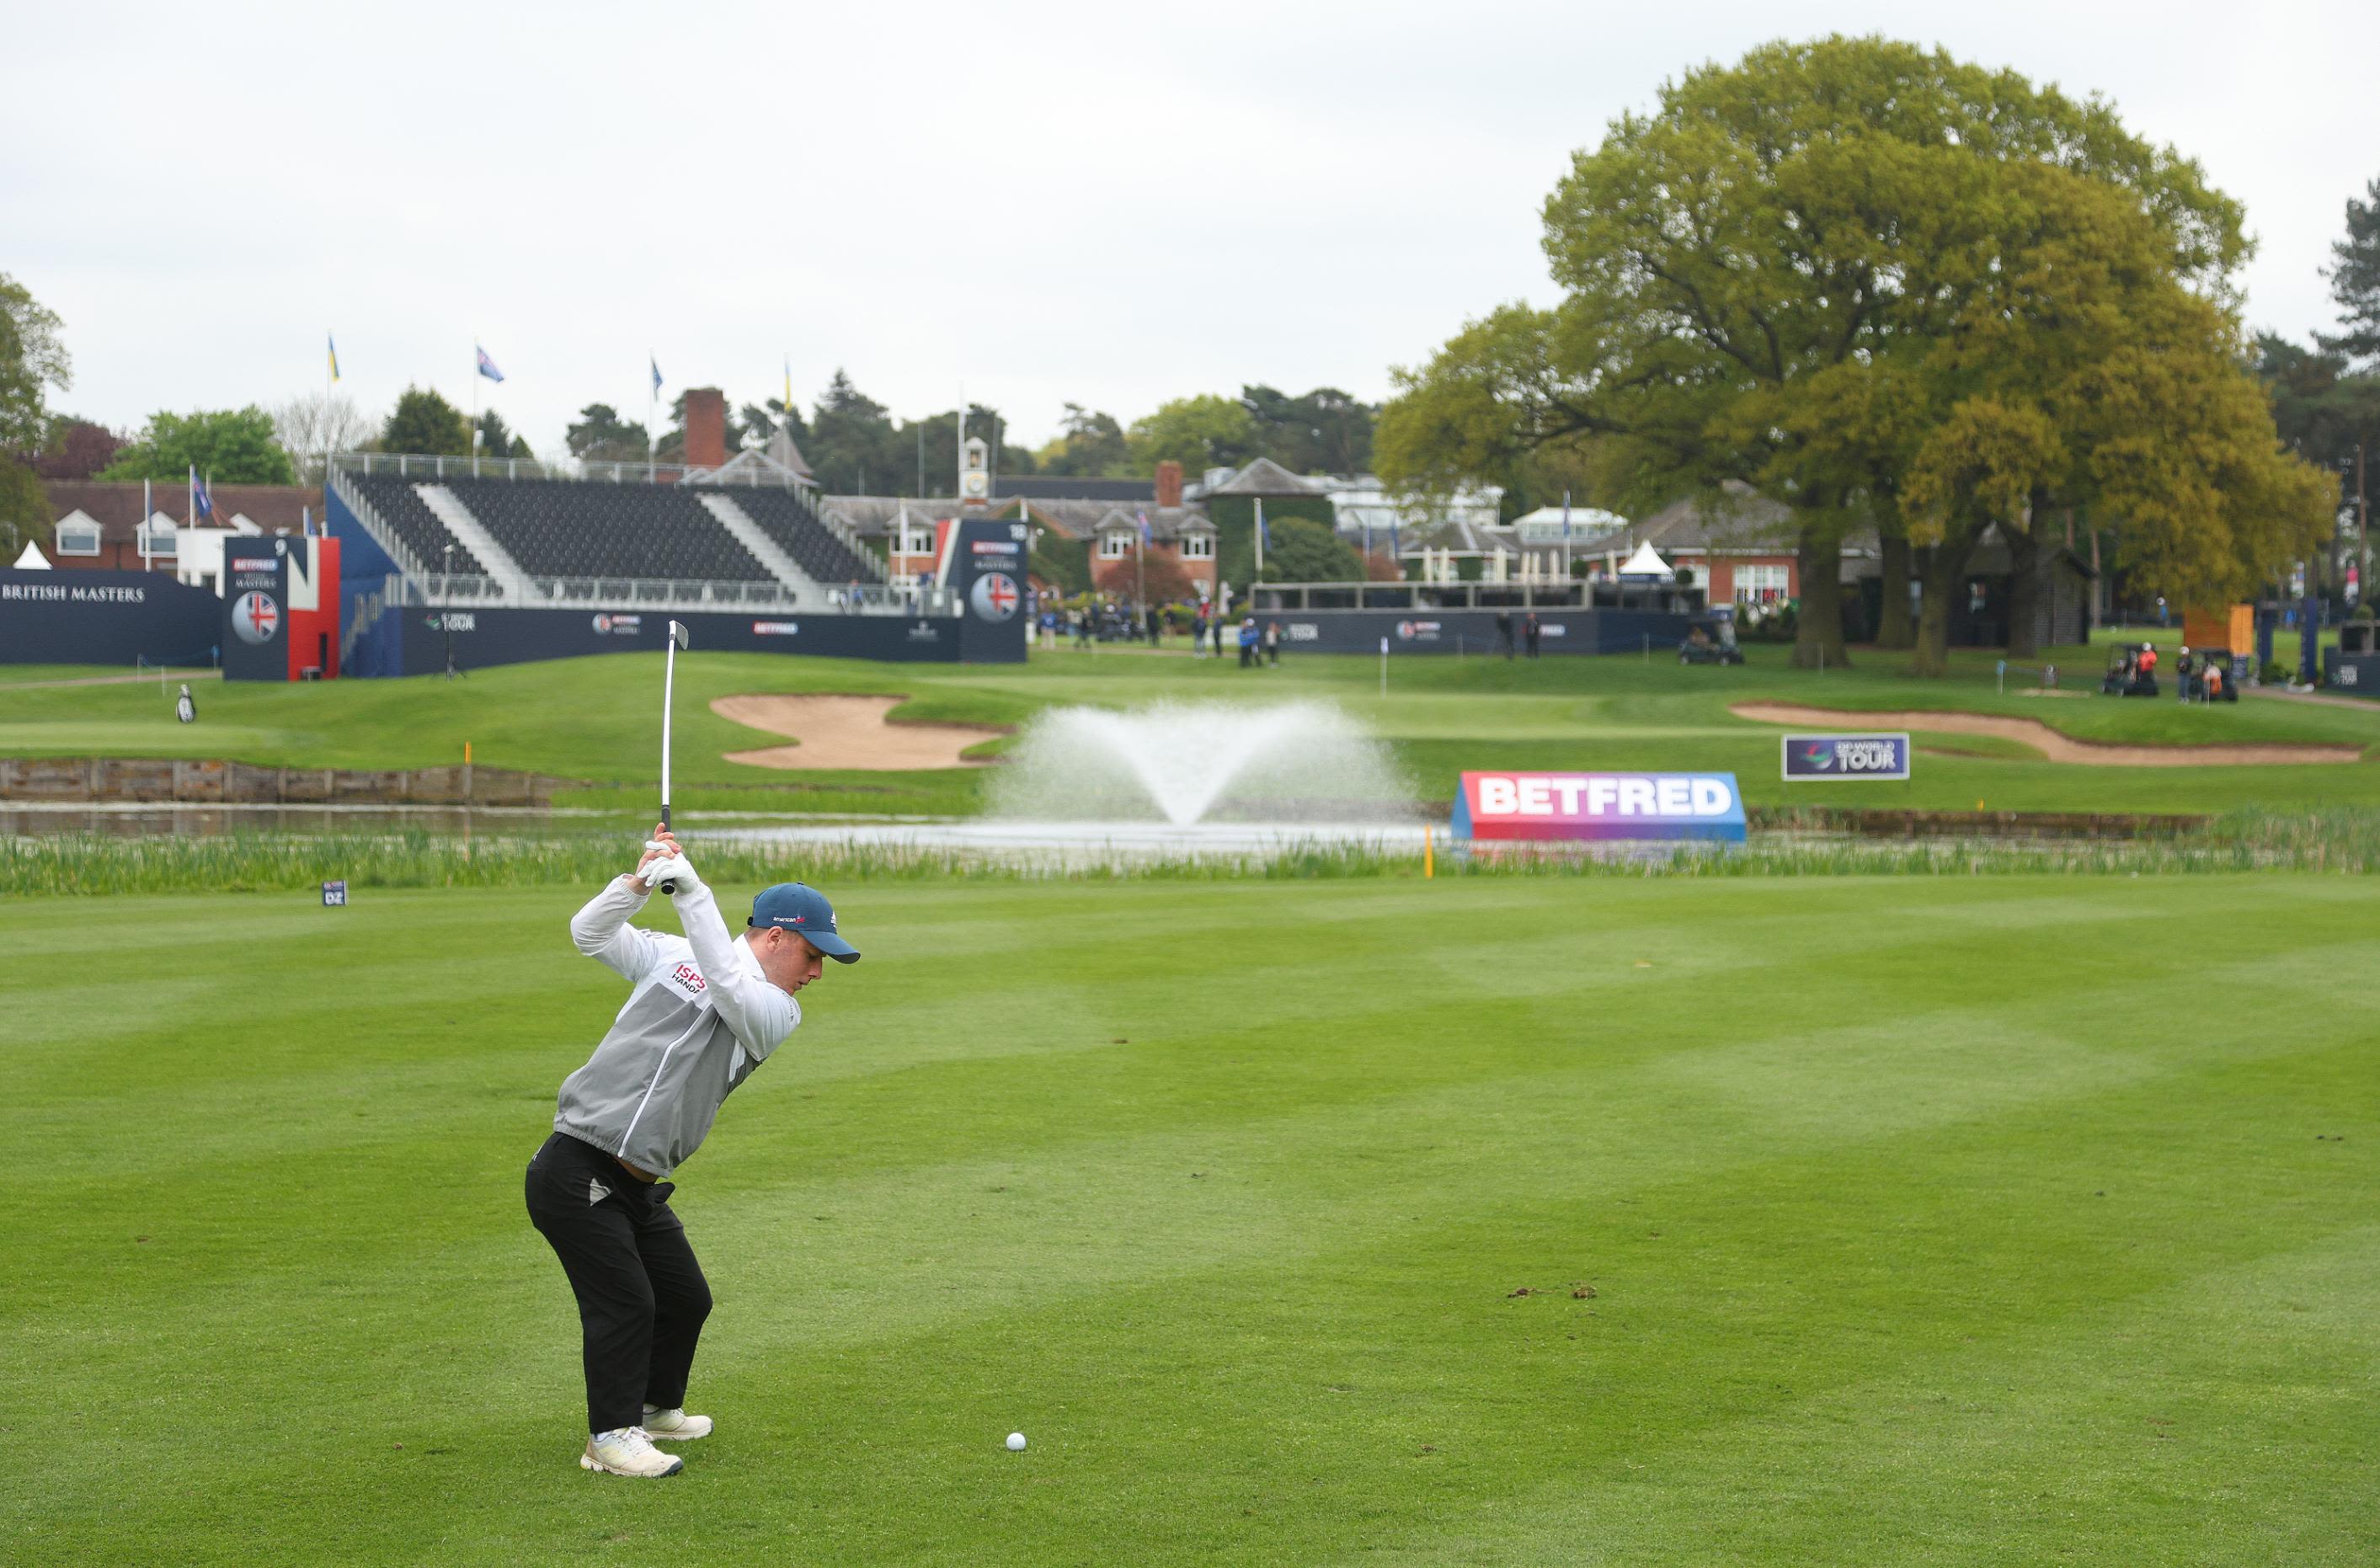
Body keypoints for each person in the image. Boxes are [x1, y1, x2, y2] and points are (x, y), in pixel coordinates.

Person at [526, 826, 859, 1479]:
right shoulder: (673, 955)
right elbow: (590, 934)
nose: (817, 973)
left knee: (685, 1299)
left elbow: (730, 987)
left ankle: (651, 1410)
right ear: (774, 937)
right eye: (812, 955)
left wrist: (692, 890)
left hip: (639, 1184)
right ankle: (610, 1438)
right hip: (577, 1167)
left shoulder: (775, 1011)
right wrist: (641, 881)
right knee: (627, 1304)